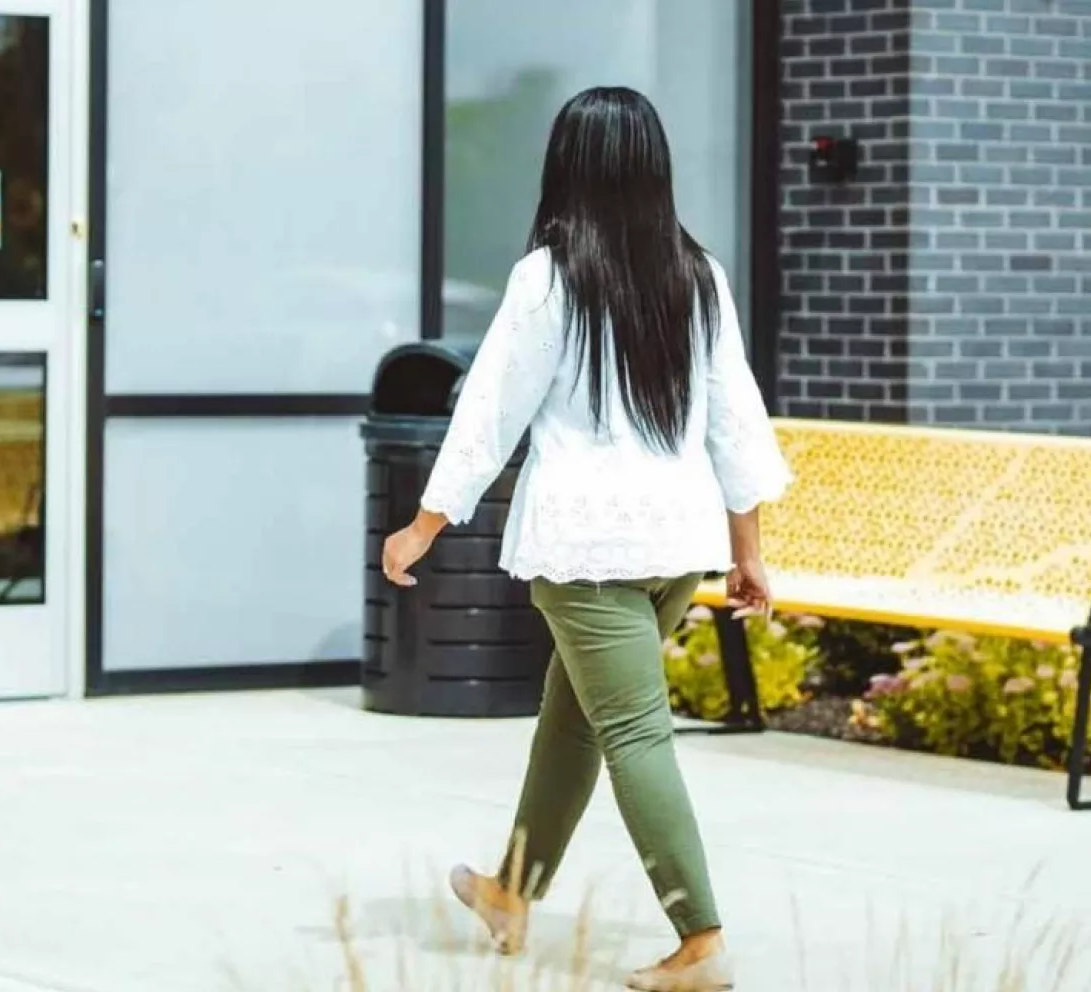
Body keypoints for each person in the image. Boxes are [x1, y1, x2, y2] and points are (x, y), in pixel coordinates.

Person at [379, 86, 791, 992]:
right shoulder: (700, 275)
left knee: (634, 732)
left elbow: (488, 412)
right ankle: (511, 892)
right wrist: (748, 549)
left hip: (589, 546)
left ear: (567, 165)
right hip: (678, 547)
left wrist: (422, 525)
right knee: (571, 722)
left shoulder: (550, 275)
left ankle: (701, 941)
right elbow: (737, 419)